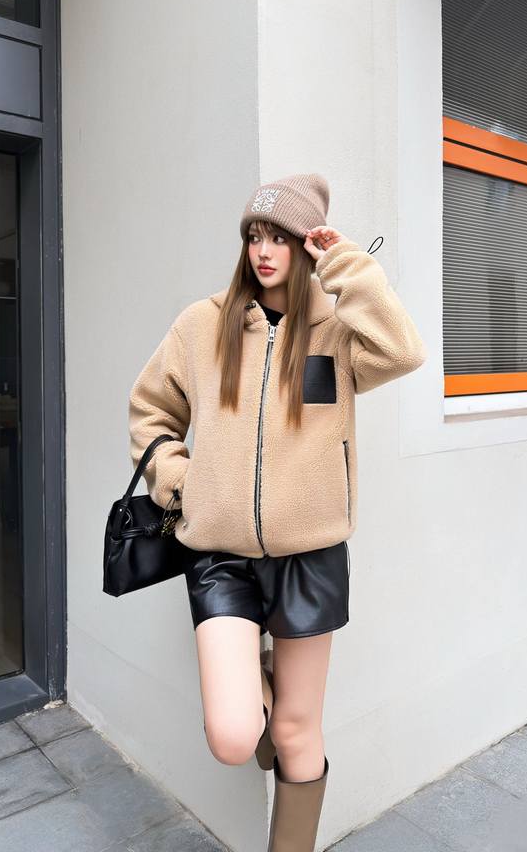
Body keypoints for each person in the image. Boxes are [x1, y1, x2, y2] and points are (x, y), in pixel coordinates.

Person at [128, 172, 427, 851]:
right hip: (220, 554)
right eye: (254, 236)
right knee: (235, 736)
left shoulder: (337, 332)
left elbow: (403, 350)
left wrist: (343, 264)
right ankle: (254, 679)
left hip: (310, 556)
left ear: (305, 245)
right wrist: (183, 483)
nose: (264, 251)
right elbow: (150, 412)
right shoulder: (202, 325)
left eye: (281, 238)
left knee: (295, 731)